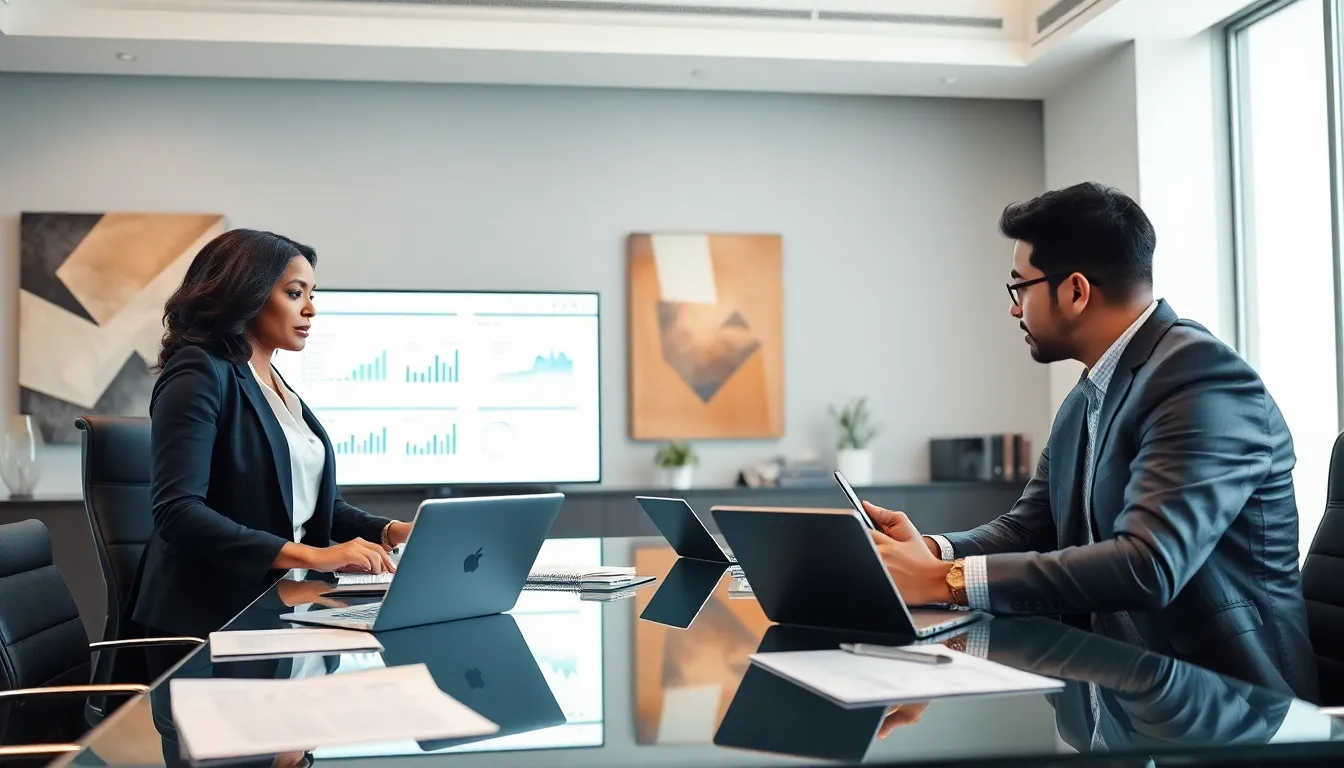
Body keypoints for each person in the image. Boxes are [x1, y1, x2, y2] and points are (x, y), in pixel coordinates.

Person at [859, 182, 1318, 700]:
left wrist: (946, 579)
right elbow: (1029, 529)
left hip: (1233, 708)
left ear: (1075, 291)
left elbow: (1148, 565)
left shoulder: (1201, 378)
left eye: (1020, 288)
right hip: (1114, 695)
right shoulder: (1088, 395)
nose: (1014, 309)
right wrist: (930, 552)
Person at [133, 229, 413, 650]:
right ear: (247, 292)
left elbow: (314, 506)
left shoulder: (273, 383)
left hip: (283, 603)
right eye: (295, 294)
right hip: (211, 617)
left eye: (312, 295)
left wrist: (393, 531)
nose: (311, 309)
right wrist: (314, 555)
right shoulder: (199, 371)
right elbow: (179, 513)